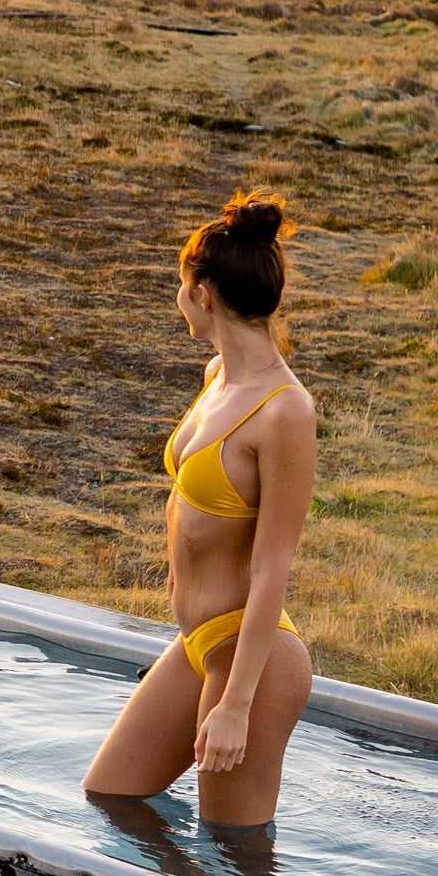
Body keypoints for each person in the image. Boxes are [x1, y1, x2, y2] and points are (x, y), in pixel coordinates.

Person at [84, 194, 316, 831]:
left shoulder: (285, 413)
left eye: (181, 285)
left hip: (252, 661)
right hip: (197, 643)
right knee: (113, 796)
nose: (178, 298)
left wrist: (238, 704)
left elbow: (272, 569)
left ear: (205, 292)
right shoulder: (218, 375)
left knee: (236, 862)